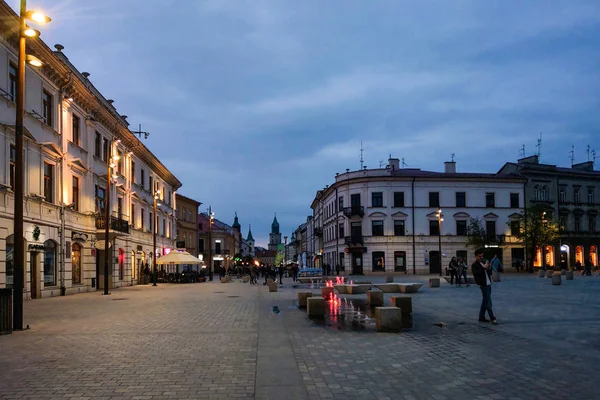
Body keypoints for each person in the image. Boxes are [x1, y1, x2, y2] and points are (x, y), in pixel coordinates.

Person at [472, 249, 497, 324]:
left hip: (488, 283)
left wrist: (488, 267)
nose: (481, 258)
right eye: (480, 256)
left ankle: (481, 317)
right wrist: (484, 267)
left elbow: (488, 272)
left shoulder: (482, 263)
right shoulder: (475, 265)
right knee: (488, 301)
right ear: (476, 256)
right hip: (483, 285)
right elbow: (477, 273)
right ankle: (492, 317)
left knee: (485, 300)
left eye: (482, 256)